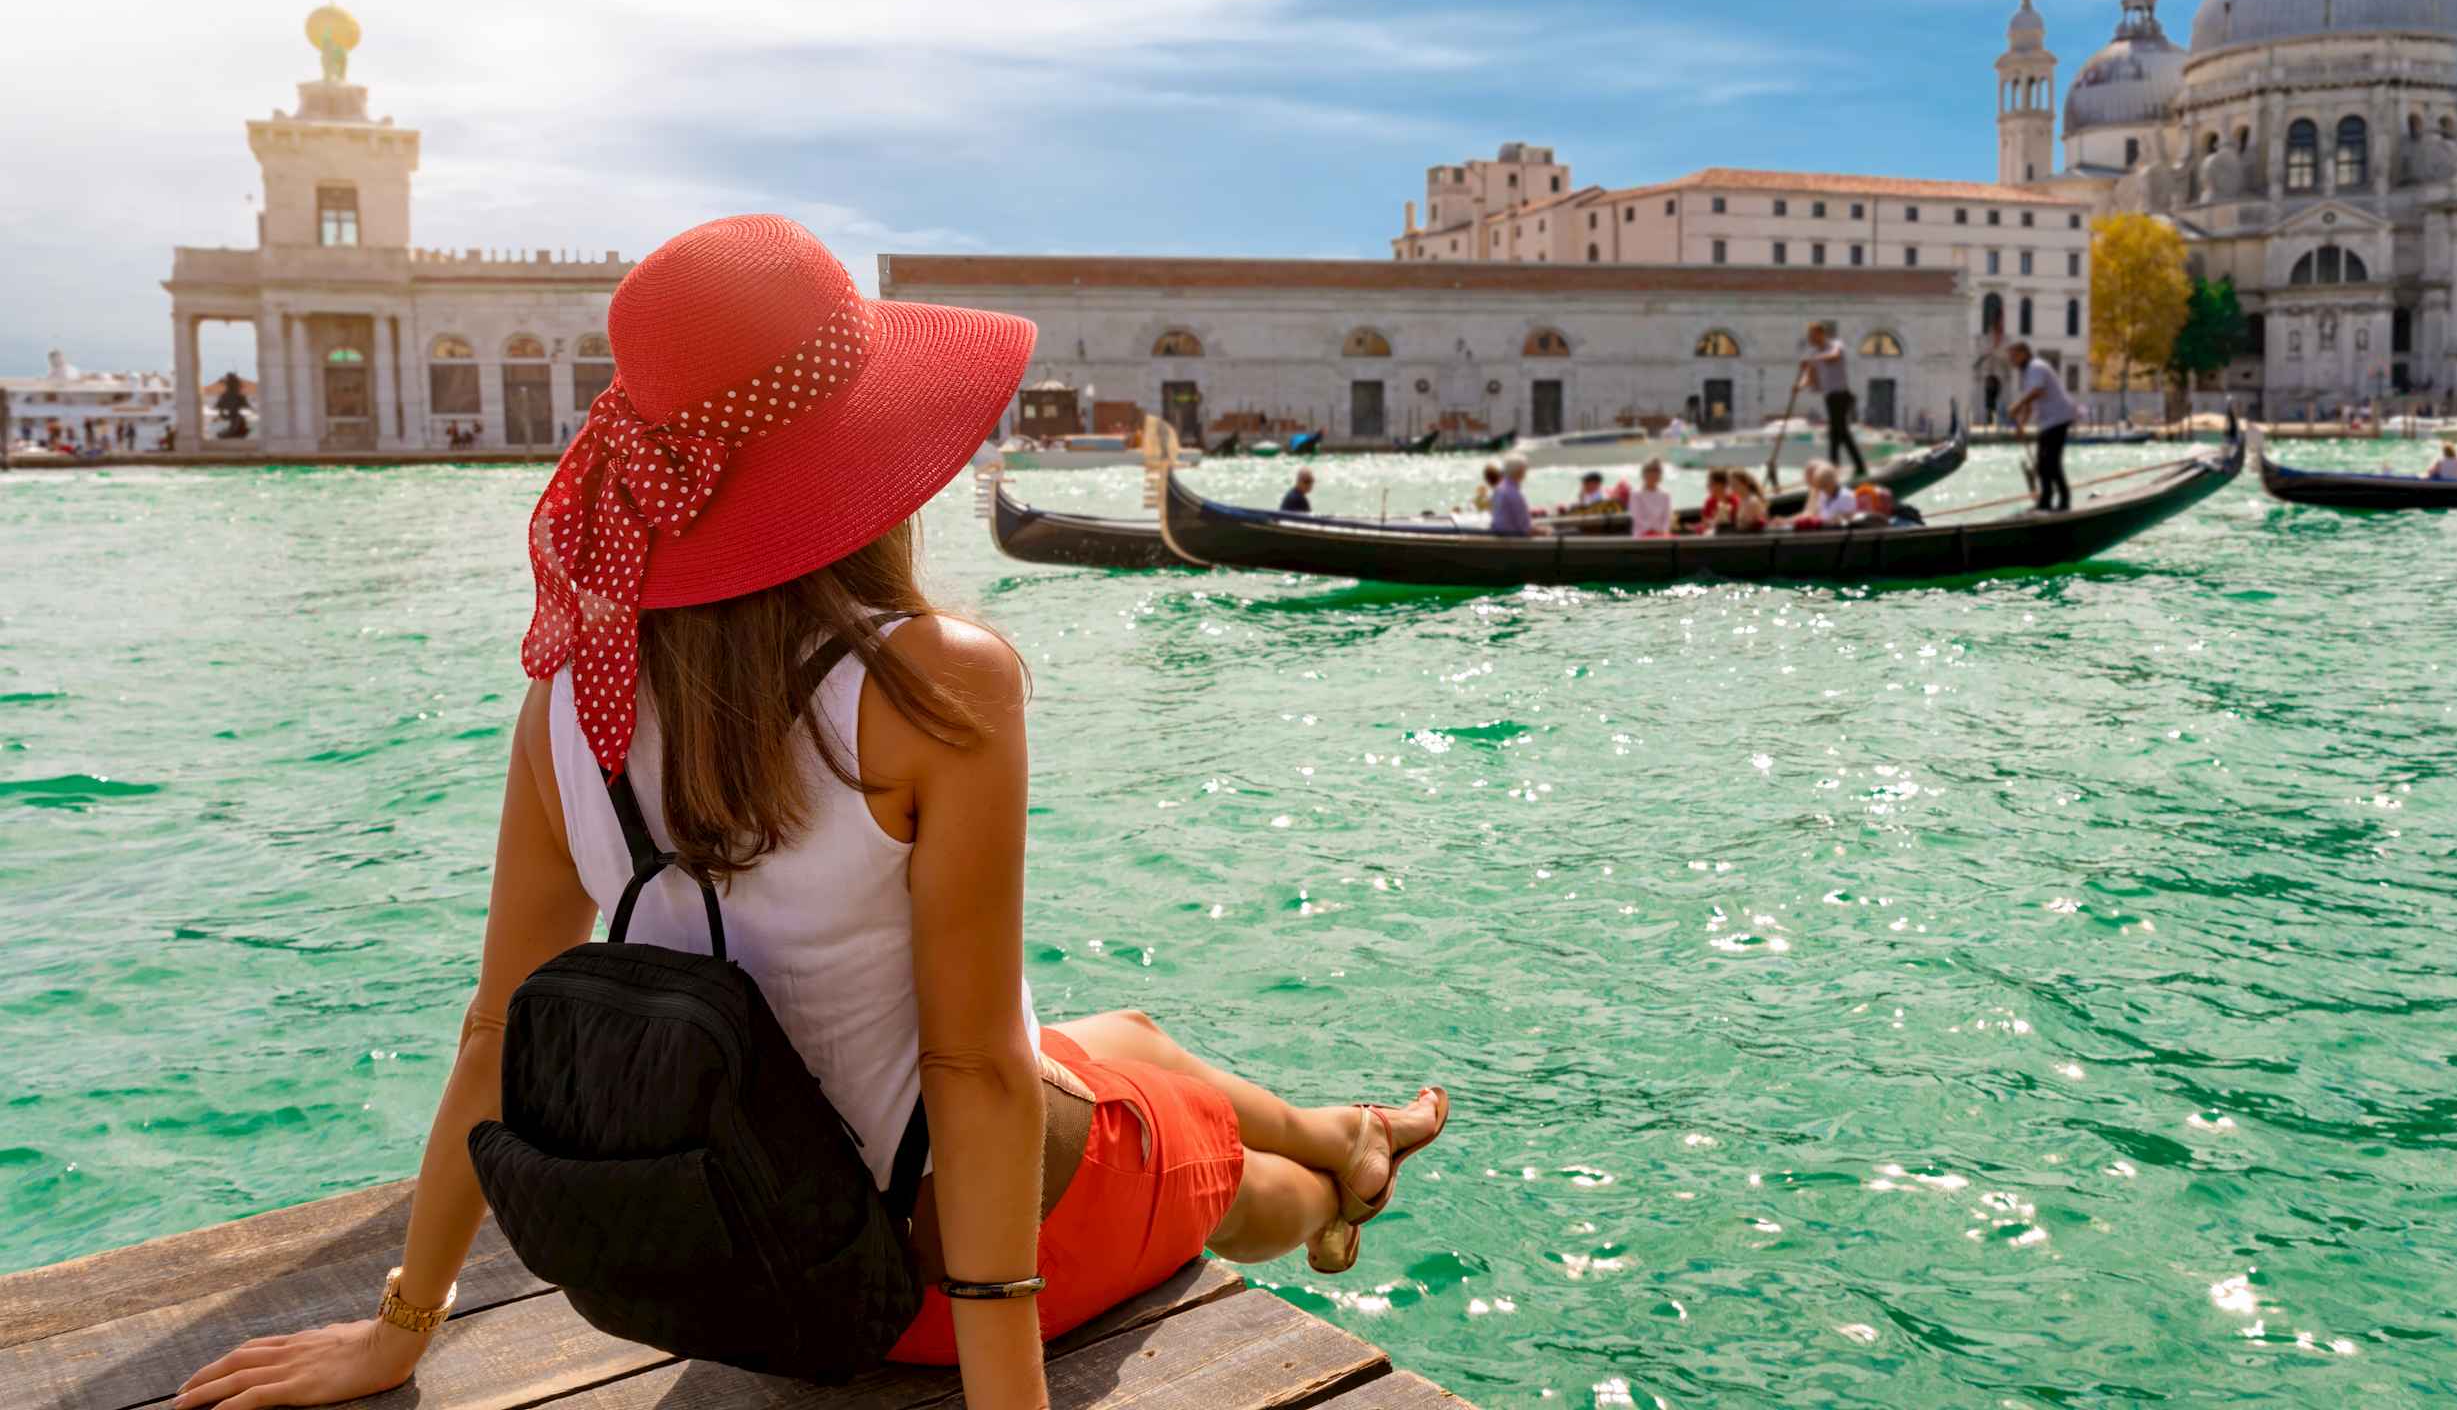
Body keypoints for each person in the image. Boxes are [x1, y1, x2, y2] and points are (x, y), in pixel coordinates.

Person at [176, 217, 1446, 1410]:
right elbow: (975, 1074)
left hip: (739, 1261)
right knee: (1224, 1162)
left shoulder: (566, 700)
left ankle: (1351, 1126)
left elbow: (493, 1031)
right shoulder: (933, 682)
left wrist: (400, 1328)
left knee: (1130, 1034)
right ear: (862, 459)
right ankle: (1334, 1184)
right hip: (915, 1285)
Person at [2005, 341, 2076, 512]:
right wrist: (2022, 424)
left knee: (2050, 462)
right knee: (2043, 463)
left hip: (2058, 417)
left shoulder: (2036, 367)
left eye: (2013, 356)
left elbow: (2037, 391)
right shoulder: (2028, 372)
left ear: (2023, 353)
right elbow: (2031, 399)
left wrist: (2017, 406)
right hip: (2048, 421)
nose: (2011, 360)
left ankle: (2063, 501)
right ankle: (2045, 501)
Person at [1797, 322, 1869, 479]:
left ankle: (1852, 467)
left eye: (1812, 335)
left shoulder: (1835, 345)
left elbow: (1834, 357)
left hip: (1842, 395)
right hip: (1830, 397)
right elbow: (1809, 377)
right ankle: (1837, 467)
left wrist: (1812, 360)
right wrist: (1799, 386)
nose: (1810, 339)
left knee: (1839, 431)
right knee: (1836, 433)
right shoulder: (1814, 353)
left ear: (1820, 334)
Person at [1490, 455, 1537, 536]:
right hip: (1514, 539)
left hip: (1500, 534)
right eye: (1525, 470)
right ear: (1520, 471)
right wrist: (1546, 531)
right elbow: (1525, 529)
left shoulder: (1498, 489)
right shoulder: (1514, 494)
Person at [1629, 458, 1674, 537]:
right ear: (1643, 474)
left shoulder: (1665, 495)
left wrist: (1663, 531)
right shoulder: (1635, 494)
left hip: (1661, 534)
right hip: (1642, 534)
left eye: (1656, 472)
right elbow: (1637, 518)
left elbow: (1667, 518)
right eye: (1649, 472)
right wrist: (1653, 530)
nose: (1653, 475)